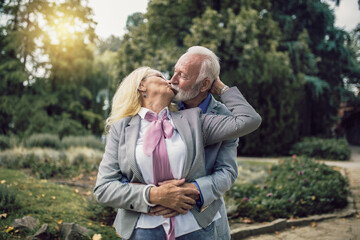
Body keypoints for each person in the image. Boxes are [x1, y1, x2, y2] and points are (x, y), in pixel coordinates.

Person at [93, 66, 261, 240]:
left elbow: (248, 120)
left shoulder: (194, 120)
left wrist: (218, 86)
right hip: (143, 230)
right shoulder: (120, 129)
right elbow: (104, 188)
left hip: (195, 227)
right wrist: (154, 195)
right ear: (142, 85)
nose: (170, 80)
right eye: (160, 76)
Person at [152, 46, 240, 239]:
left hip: (204, 221)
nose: (172, 80)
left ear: (204, 84)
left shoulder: (225, 117)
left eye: (181, 75)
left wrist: (194, 189)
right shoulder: (163, 106)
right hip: (156, 220)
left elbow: (228, 172)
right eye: (173, 71)